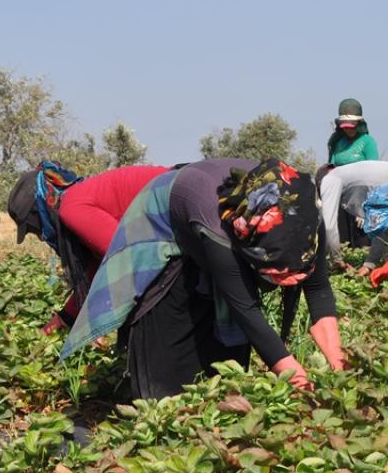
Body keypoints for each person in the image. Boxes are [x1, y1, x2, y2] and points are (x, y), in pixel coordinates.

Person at [60, 159, 346, 399]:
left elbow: (319, 290)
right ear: (251, 243)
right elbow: (245, 308)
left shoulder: (304, 222)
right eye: (279, 271)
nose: (288, 280)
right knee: (169, 335)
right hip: (166, 217)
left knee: (224, 356)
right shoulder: (222, 234)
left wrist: (339, 368)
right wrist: (296, 378)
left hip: (217, 219)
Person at [7, 161, 171, 334]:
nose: (42, 237)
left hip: (179, 201)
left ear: (41, 213)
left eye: (36, 229)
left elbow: (125, 261)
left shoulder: (72, 208)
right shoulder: (78, 198)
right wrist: (65, 318)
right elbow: (96, 270)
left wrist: (102, 324)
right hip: (180, 204)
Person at [317, 160, 388, 272]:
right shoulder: (352, 179)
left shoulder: (329, 179)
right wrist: (369, 264)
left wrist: (336, 259)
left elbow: (329, 226)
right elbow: (379, 226)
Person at [325, 98, 379, 167]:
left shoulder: (368, 142)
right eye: (345, 127)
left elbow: (374, 169)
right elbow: (331, 168)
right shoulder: (336, 141)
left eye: (351, 127)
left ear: (359, 124)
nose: (348, 130)